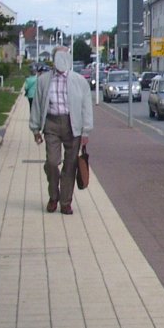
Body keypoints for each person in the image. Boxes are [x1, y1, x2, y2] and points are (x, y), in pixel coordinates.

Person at [29, 46, 94, 216]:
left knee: (70, 165)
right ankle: (53, 196)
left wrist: (86, 131)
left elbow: (86, 107)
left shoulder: (79, 81)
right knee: (52, 162)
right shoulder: (43, 80)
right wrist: (35, 128)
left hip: (73, 125)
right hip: (51, 124)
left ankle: (65, 202)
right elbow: (37, 104)